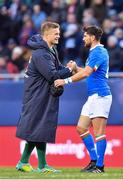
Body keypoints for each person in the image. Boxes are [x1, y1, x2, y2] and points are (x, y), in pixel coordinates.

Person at [16, 21, 76, 173]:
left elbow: (58, 69)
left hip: (42, 94)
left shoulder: (50, 50)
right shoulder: (41, 53)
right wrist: (69, 70)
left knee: (39, 128)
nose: (59, 36)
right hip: (37, 95)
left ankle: (24, 162)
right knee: (40, 128)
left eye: (59, 33)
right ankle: (40, 165)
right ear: (47, 35)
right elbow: (52, 75)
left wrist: (68, 68)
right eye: (56, 34)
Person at [55, 25, 112, 173]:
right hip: (93, 96)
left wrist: (65, 81)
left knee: (99, 132)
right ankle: (94, 161)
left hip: (100, 95)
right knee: (81, 128)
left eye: (86, 35)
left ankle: (100, 166)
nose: (83, 38)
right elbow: (88, 72)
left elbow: (86, 74)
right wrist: (75, 68)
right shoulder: (94, 52)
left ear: (93, 38)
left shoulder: (99, 52)